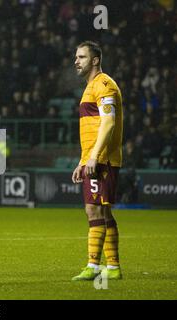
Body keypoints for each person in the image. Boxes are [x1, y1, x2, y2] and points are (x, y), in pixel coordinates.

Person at [71, 41, 123, 281]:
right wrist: (83, 160)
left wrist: (94, 157)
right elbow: (92, 128)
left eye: (81, 57)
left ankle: (94, 266)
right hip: (94, 158)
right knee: (102, 210)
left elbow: (109, 122)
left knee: (94, 209)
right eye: (76, 57)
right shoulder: (90, 87)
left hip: (102, 159)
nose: (76, 61)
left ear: (95, 60)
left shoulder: (104, 84)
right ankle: (112, 266)